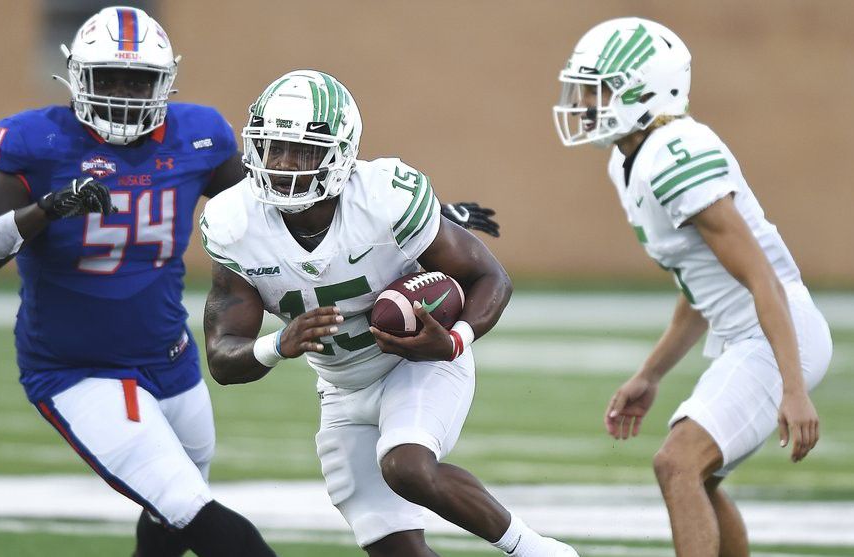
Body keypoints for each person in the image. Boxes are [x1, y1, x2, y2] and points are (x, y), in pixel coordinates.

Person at [0, 7, 501, 556]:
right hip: (76, 365)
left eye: (139, 81)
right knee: (190, 507)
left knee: (170, 513)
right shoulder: (36, 142)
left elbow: (284, 190)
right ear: (75, 77)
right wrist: (43, 210)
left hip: (169, 357)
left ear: (167, 82)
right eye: (108, 78)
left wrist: (427, 215)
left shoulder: (197, 135)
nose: (124, 95)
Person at [199, 69, 578, 557]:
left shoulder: (384, 198)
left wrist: (455, 340)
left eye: (305, 151)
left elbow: (490, 278)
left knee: (407, 466)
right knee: (393, 548)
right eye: (275, 148)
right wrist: (278, 344)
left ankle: (537, 551)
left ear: (340, 154)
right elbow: (222, 359)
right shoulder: (234, 222)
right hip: (339, 386)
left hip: (416, 365)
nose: (285, 165)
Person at [552, 17, 833, 557]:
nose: (586, 102)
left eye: (600, 88)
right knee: (697, 475)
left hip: (777, 334)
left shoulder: (675, 154)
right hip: (753, 334)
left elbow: (759, 276)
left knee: (677, 462)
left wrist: (793, 388)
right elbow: (701, 289)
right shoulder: (629, 158)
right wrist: (649, 374)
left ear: (643, 90)